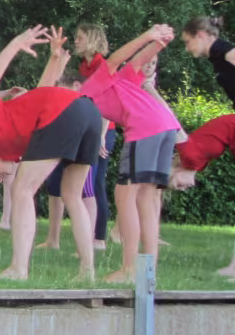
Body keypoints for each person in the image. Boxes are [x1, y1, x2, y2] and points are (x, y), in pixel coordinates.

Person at [0, 25, 100, 281]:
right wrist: (55, 58)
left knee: (21, 191)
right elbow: (45, 90)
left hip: (68, 113)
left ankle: (18, 269)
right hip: (89, 112)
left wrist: (16, 43)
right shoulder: (21, 143)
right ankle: (87, 272)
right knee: (72, 194)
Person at [75, 24, 183, 284]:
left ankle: (129, 270)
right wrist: (160, 42)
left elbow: (115, 58)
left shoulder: (91, 86)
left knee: (125, 195)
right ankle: (148, 271)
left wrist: (148, 36)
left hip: (145, 128)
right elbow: (139, 59)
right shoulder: (123, 79)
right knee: (146, 197)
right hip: (166, 127)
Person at [169, 113, 235, 278]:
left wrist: (147, 88)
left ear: (175, 170)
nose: (184, 188)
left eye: (178, 185)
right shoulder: (198, 164)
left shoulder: (188, 154)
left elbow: (172, 122)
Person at [73, 23, 114, 249]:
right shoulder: (84, 65)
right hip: (90, 128)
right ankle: (93, 237)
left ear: (92, 39)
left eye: (80, 37)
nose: (76, 41)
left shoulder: (101, 65)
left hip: (104, 129)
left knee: (96, 183)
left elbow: (107, 101)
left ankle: (99, 238)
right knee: (90, 183)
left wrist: (101, 135)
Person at [181, 16, 235, 107]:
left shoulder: (229, 53)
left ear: (200, 35)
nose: (187, 49)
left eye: (187, 42)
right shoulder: (219, 58)